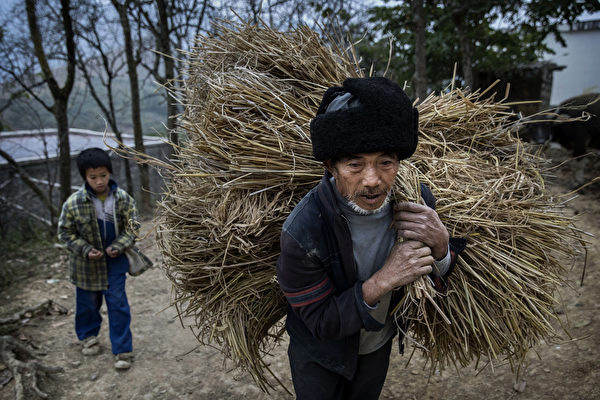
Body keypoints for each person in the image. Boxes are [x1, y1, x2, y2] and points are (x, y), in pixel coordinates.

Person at [276, 77, 466, 399]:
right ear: (331, 166)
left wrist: (441, 246)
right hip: (320, 354)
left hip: (377, 345)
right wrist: (384, 279)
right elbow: (321, 321)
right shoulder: (303, 230)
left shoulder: (416, 202)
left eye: (385, 163)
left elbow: (436, 276)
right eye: (355, 164)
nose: (373, 180)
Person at [58, 147, 139, 370]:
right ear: (85, 177)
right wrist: (85, 249)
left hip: (114, 262)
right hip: (85, 266)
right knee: (87, 305)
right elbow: (65, 232)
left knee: (118, 304)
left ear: (110, 173)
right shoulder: (74, 203)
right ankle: (88, 337)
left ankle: (122, 349)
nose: (99, 181)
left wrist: (119, 246)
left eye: (103, 175)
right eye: (93, 177)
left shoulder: (122, 199)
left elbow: (133, 228)